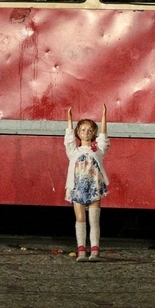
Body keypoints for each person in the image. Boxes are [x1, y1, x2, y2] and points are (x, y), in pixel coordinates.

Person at [64, 105, 109, 262]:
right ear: (78, 132)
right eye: (83, 130)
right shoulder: (74, 152)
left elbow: (103, 138)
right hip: (77, 189)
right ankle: (81, 250)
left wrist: (104, 117)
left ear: (93, 133)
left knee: (94, 220)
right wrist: (69, 120)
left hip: (94, 188)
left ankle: (95, 250)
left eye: (90, 130)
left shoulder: (97, 151)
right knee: (80, 219)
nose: (86, 133)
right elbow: (69, 140)